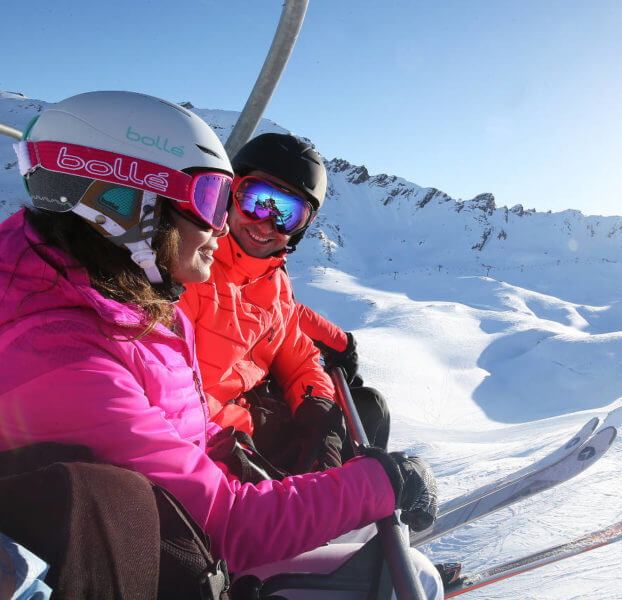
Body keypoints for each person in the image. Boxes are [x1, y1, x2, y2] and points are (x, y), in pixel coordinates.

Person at [0, 91, 440, 598]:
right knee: (410, 574)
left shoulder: (133, 303)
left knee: (359, 411)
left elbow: (283, 328)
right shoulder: (74, 356)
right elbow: (226, 520)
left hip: (202, 497)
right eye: (218, 199)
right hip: (198, 545)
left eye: (287, 214)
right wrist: (379, 483)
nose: (222, 225)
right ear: (128, 203)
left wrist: (317, 397)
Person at [178, 132, 389, 475]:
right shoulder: (191, 269)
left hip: (245, 410)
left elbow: (296, 347)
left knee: (367, 407)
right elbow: (174, 398)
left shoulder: (273, 278)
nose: (266, 222)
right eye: (257, 200)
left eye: (286, 213)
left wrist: (317, 410)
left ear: (302, 227)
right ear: (230, 193)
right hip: (210, 440)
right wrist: (253, 430)